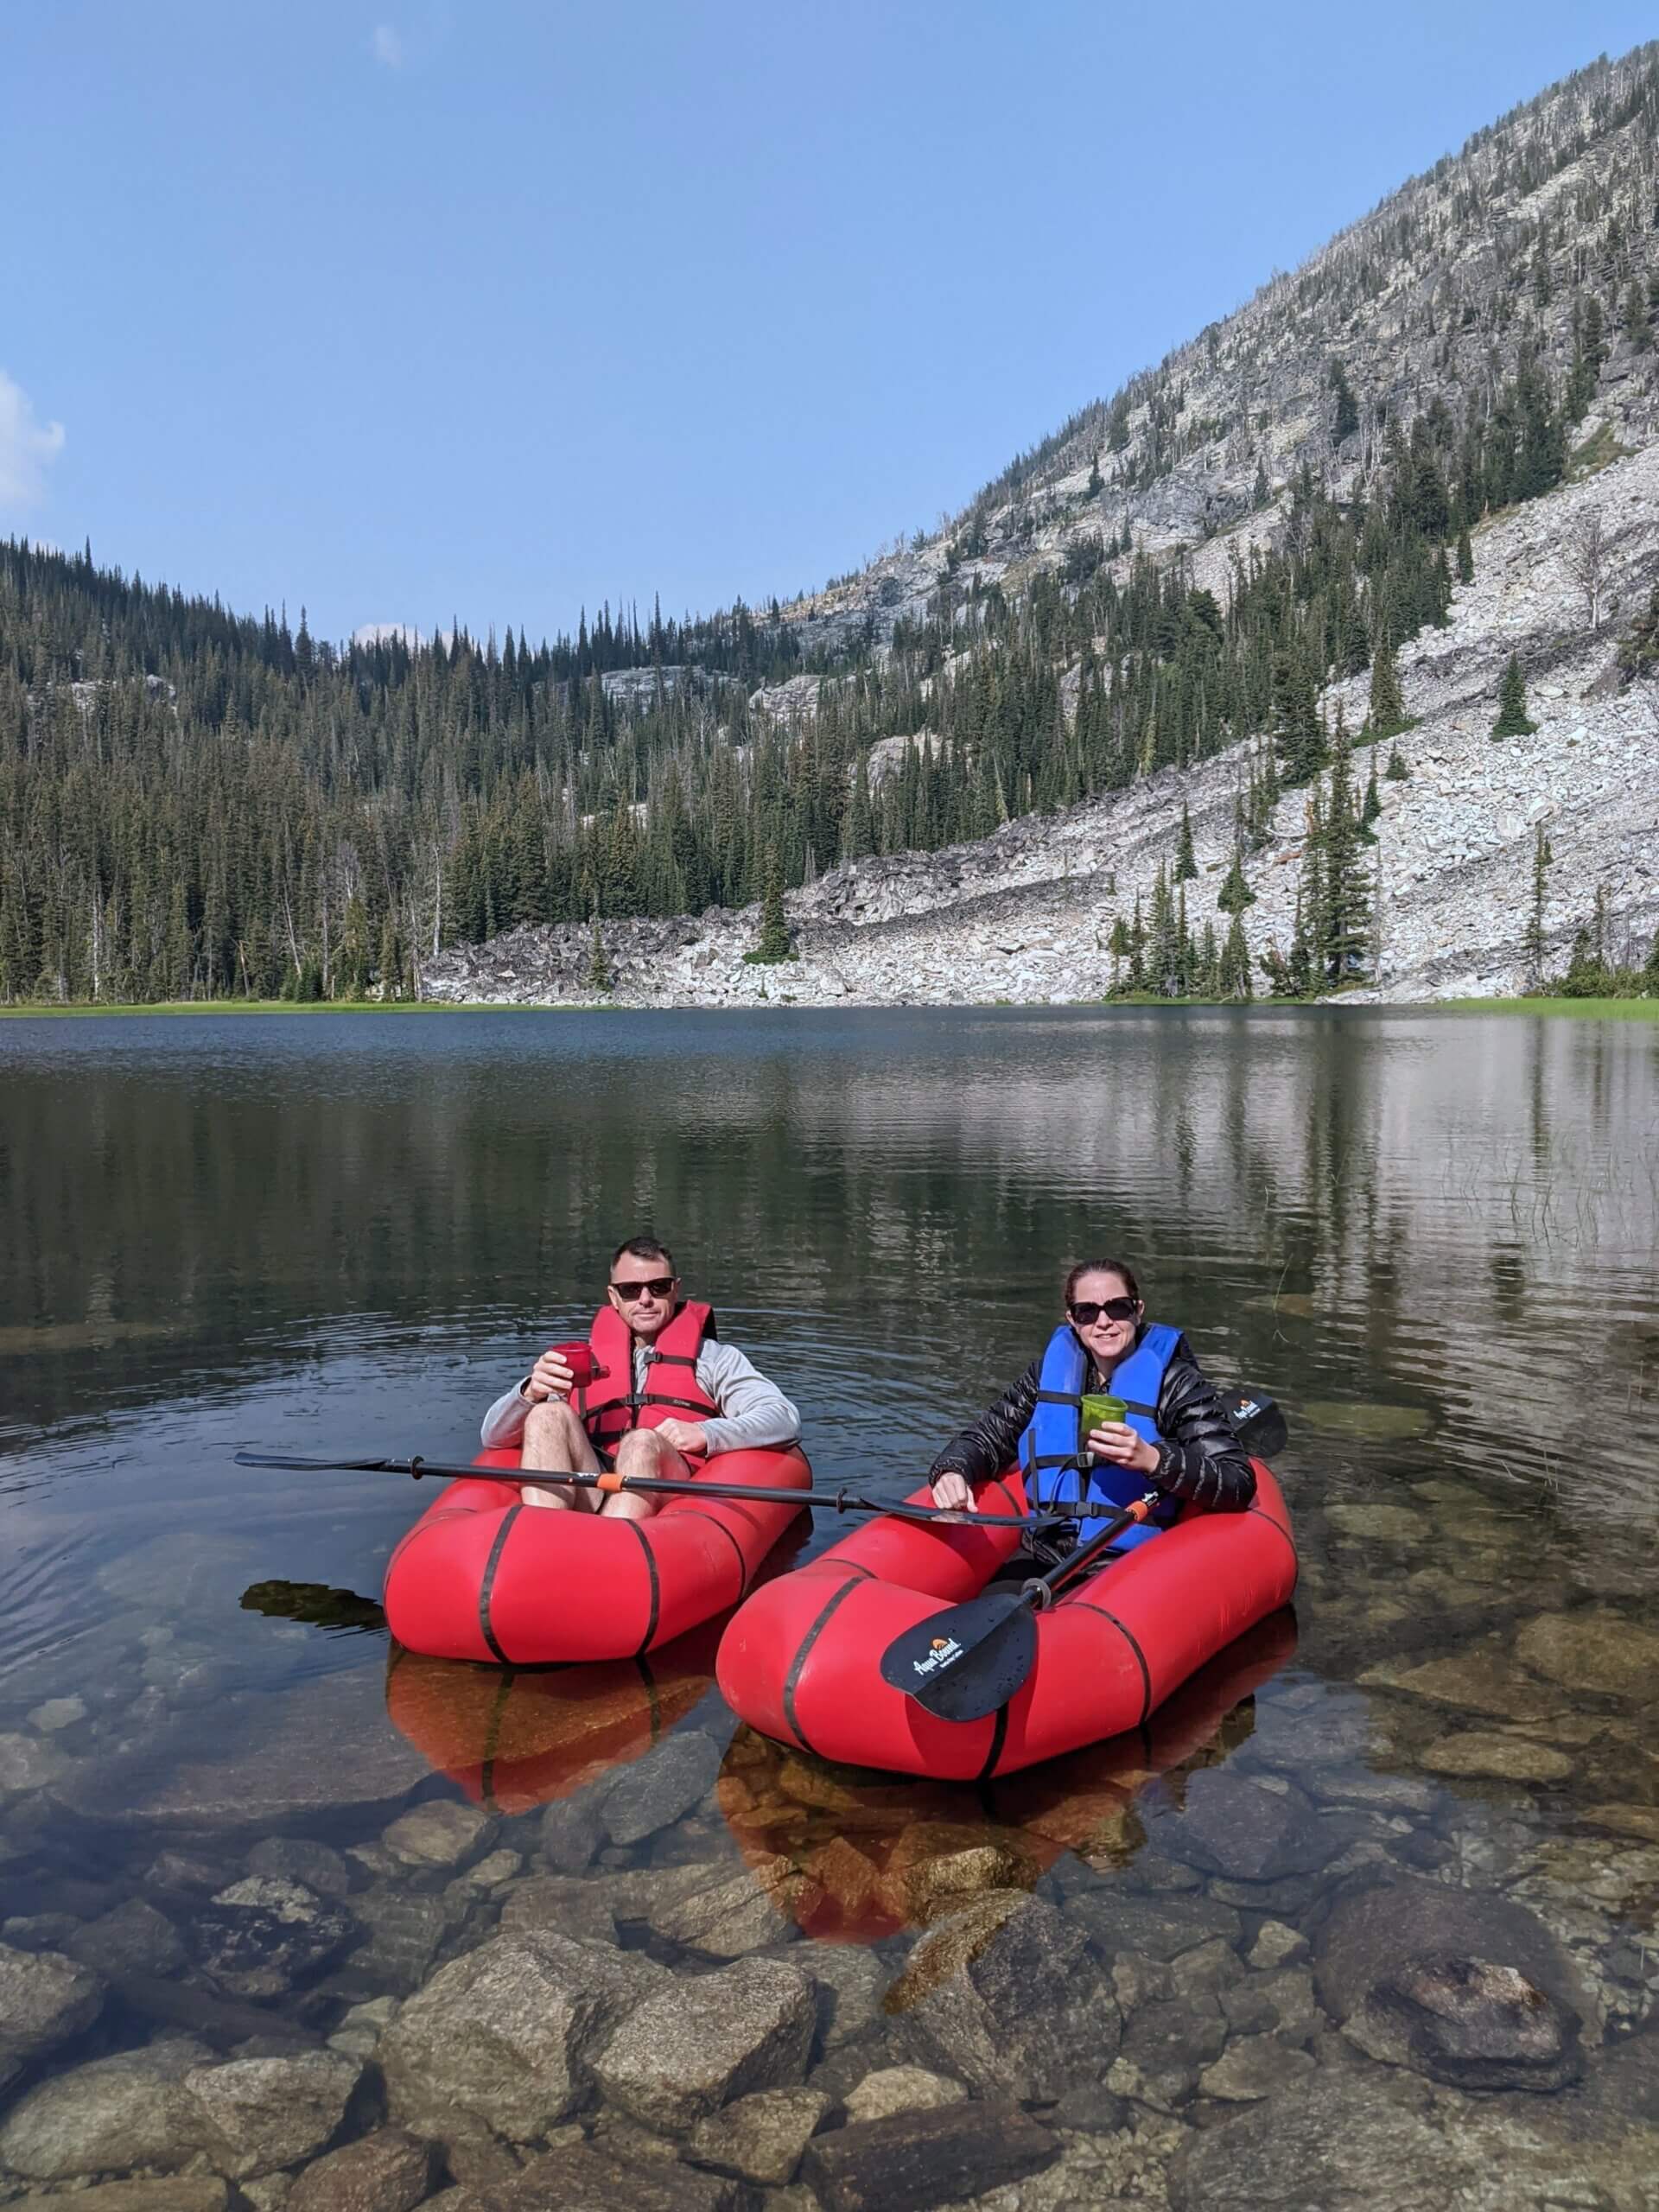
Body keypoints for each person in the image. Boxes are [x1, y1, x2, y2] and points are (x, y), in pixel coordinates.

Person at [929, 1258, 1254, 1554]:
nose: (1103, 1322)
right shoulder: (1046, 1375)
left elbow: (1237, 1481)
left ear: (1138, 1310)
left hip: (1128, 1568)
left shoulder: (1178, 1384)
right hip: (1046, 1552)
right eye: (1088, 1311)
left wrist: (1152, 1459)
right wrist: (952, 1469)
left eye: (1118, 1308)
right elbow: (988, 1436)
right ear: (1072, 1319)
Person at [480, 1236, 800, 1523]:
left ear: (675, 1289)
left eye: (658, 1287)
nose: (645, 1299)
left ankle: (610, 1555)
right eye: (631, 1290)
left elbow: (783, 1418)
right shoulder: (581, 1361)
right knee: (547, 1414)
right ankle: (541, 1538)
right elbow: (493, 1436)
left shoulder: (714, 1358)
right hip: (595, 1483)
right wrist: (531, 1393)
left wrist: (706, 1432)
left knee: (641, 1441)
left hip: (670, 1489)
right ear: (613, 1297)